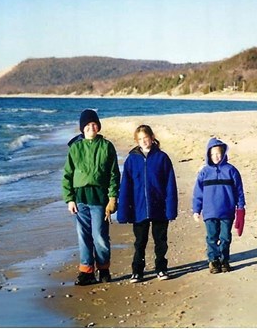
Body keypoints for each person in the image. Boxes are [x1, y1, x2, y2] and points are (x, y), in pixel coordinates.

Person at [62, 109, 121, 285]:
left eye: (94, 124)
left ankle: (103, 269)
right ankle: (86, 271)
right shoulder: (75, 147)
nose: (91, 127)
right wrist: (69, 199)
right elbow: (67, 174)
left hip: (99, 197)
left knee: (100, 235)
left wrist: (112, 198)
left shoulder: (106, 146)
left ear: (98, 126)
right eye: (87, 125)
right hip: (80, 198)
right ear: (82, 128)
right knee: (83, 235)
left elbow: (113, 174)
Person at [117, 125, 178, 283]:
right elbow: (126, 187)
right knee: (140, 242)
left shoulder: (162, 158)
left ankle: (161, 268)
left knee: (160, 241)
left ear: (152, 137)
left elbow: (170, 185)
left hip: (159, 208)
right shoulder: (132, 159)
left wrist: (171, 209)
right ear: (136, 141)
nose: (144, 141)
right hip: (138, 209)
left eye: (146, 138)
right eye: (140, 139)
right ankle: (137, 271)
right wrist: (123, 211)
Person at [192, 137, 246, 273]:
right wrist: (196, 210)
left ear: (223, 153)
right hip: (209, 212)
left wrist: (240, 207)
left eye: (218, 153)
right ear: (208, 155)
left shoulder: (231, 170)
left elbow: (239, 191)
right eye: (212, 154)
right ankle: (213, 261)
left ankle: (224, 260)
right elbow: (198, 192)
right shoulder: (204, 172)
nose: (215, 157)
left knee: (225, 237)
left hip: (227, 211)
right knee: (211, 238)